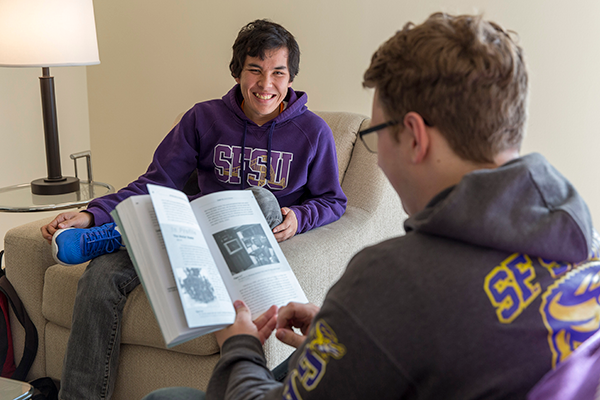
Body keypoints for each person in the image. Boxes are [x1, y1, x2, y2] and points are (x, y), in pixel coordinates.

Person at [143, 12, 600, 400]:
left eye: (375, 134)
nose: (377, 155)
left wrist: (240, 346)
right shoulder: (585, 246)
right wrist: (357, 330)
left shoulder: (392, 279)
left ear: (415, 137)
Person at [43, 19, 347, 400]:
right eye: (255, 70)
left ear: (291, 77)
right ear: (238, 71)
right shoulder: (204, 118)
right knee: (100, 276)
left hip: (247, 241)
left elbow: (333, 201)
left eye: (278, 73)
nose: (266, 84)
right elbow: (156, 182)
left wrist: (299, 217)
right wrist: (92, 213)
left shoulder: (312, 131)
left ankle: (122, 234)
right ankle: (112, 234)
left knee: (261, 198)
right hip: (192, 236)